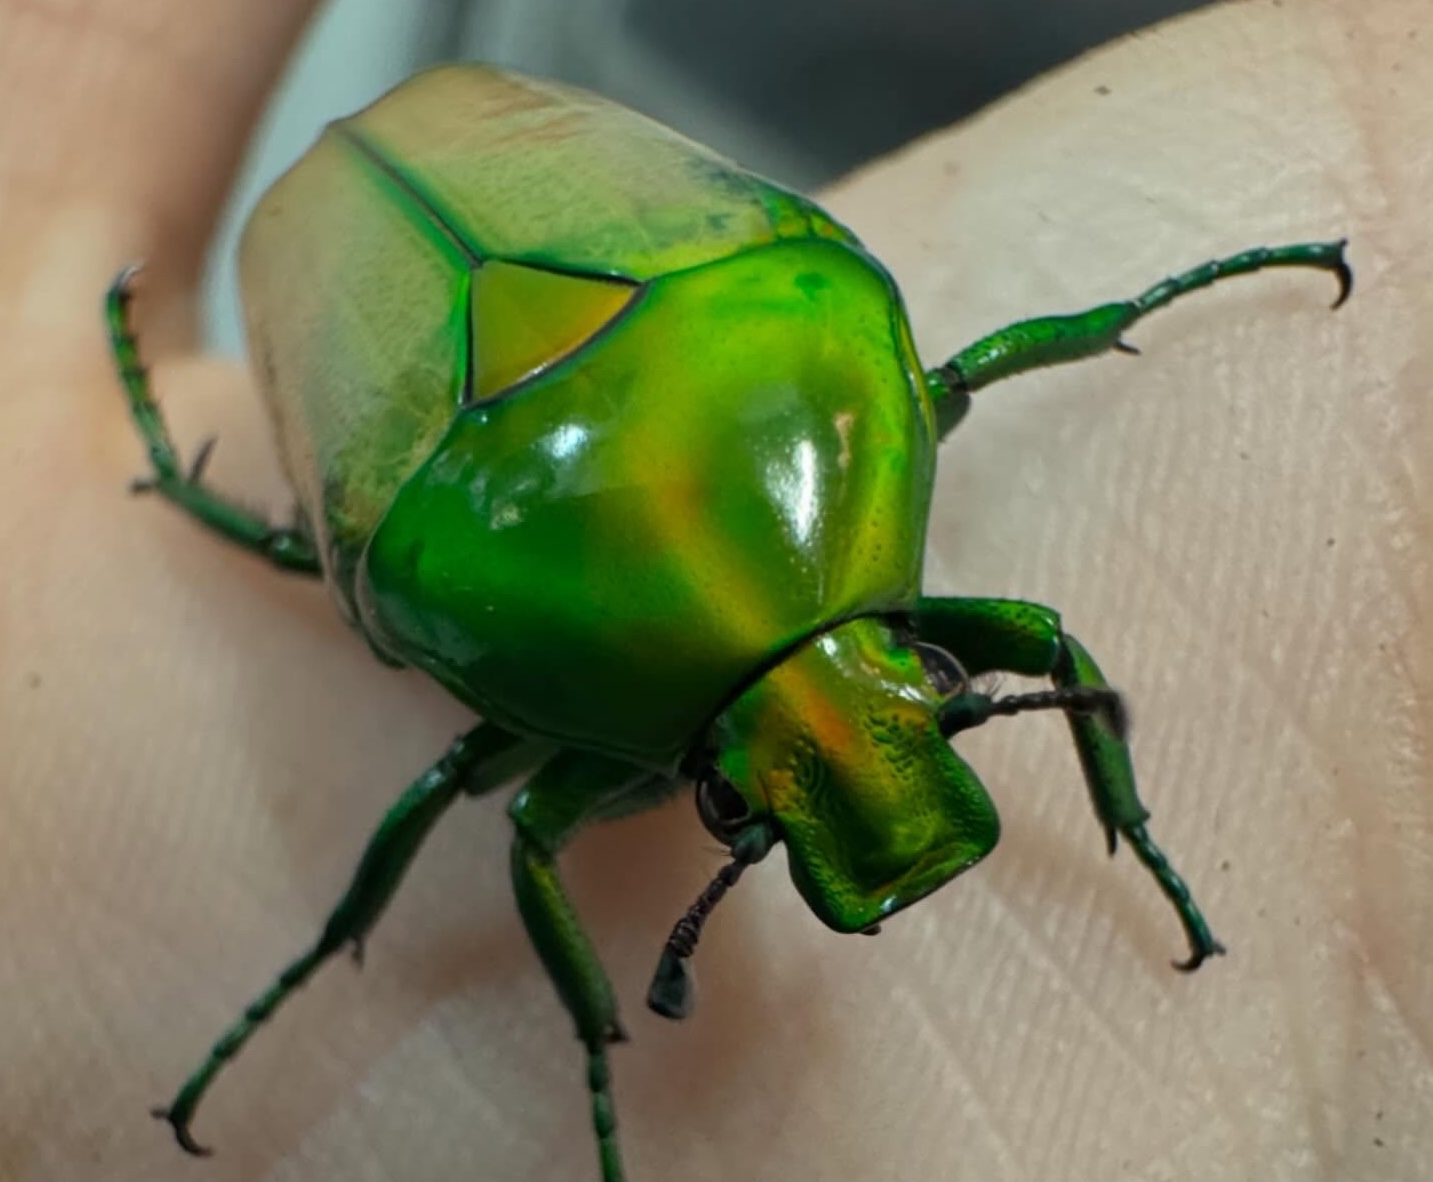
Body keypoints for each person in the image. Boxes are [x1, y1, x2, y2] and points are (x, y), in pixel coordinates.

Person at [0, 0, 1426, 1178]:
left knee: (440, 738)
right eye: (929, 684)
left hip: (538, 238)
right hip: (433, 242)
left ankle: (445, 981)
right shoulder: (808, 402)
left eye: (736, 801)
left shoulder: (791, 423)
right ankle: (428, 976)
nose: (868, 737)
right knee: (430, 721)